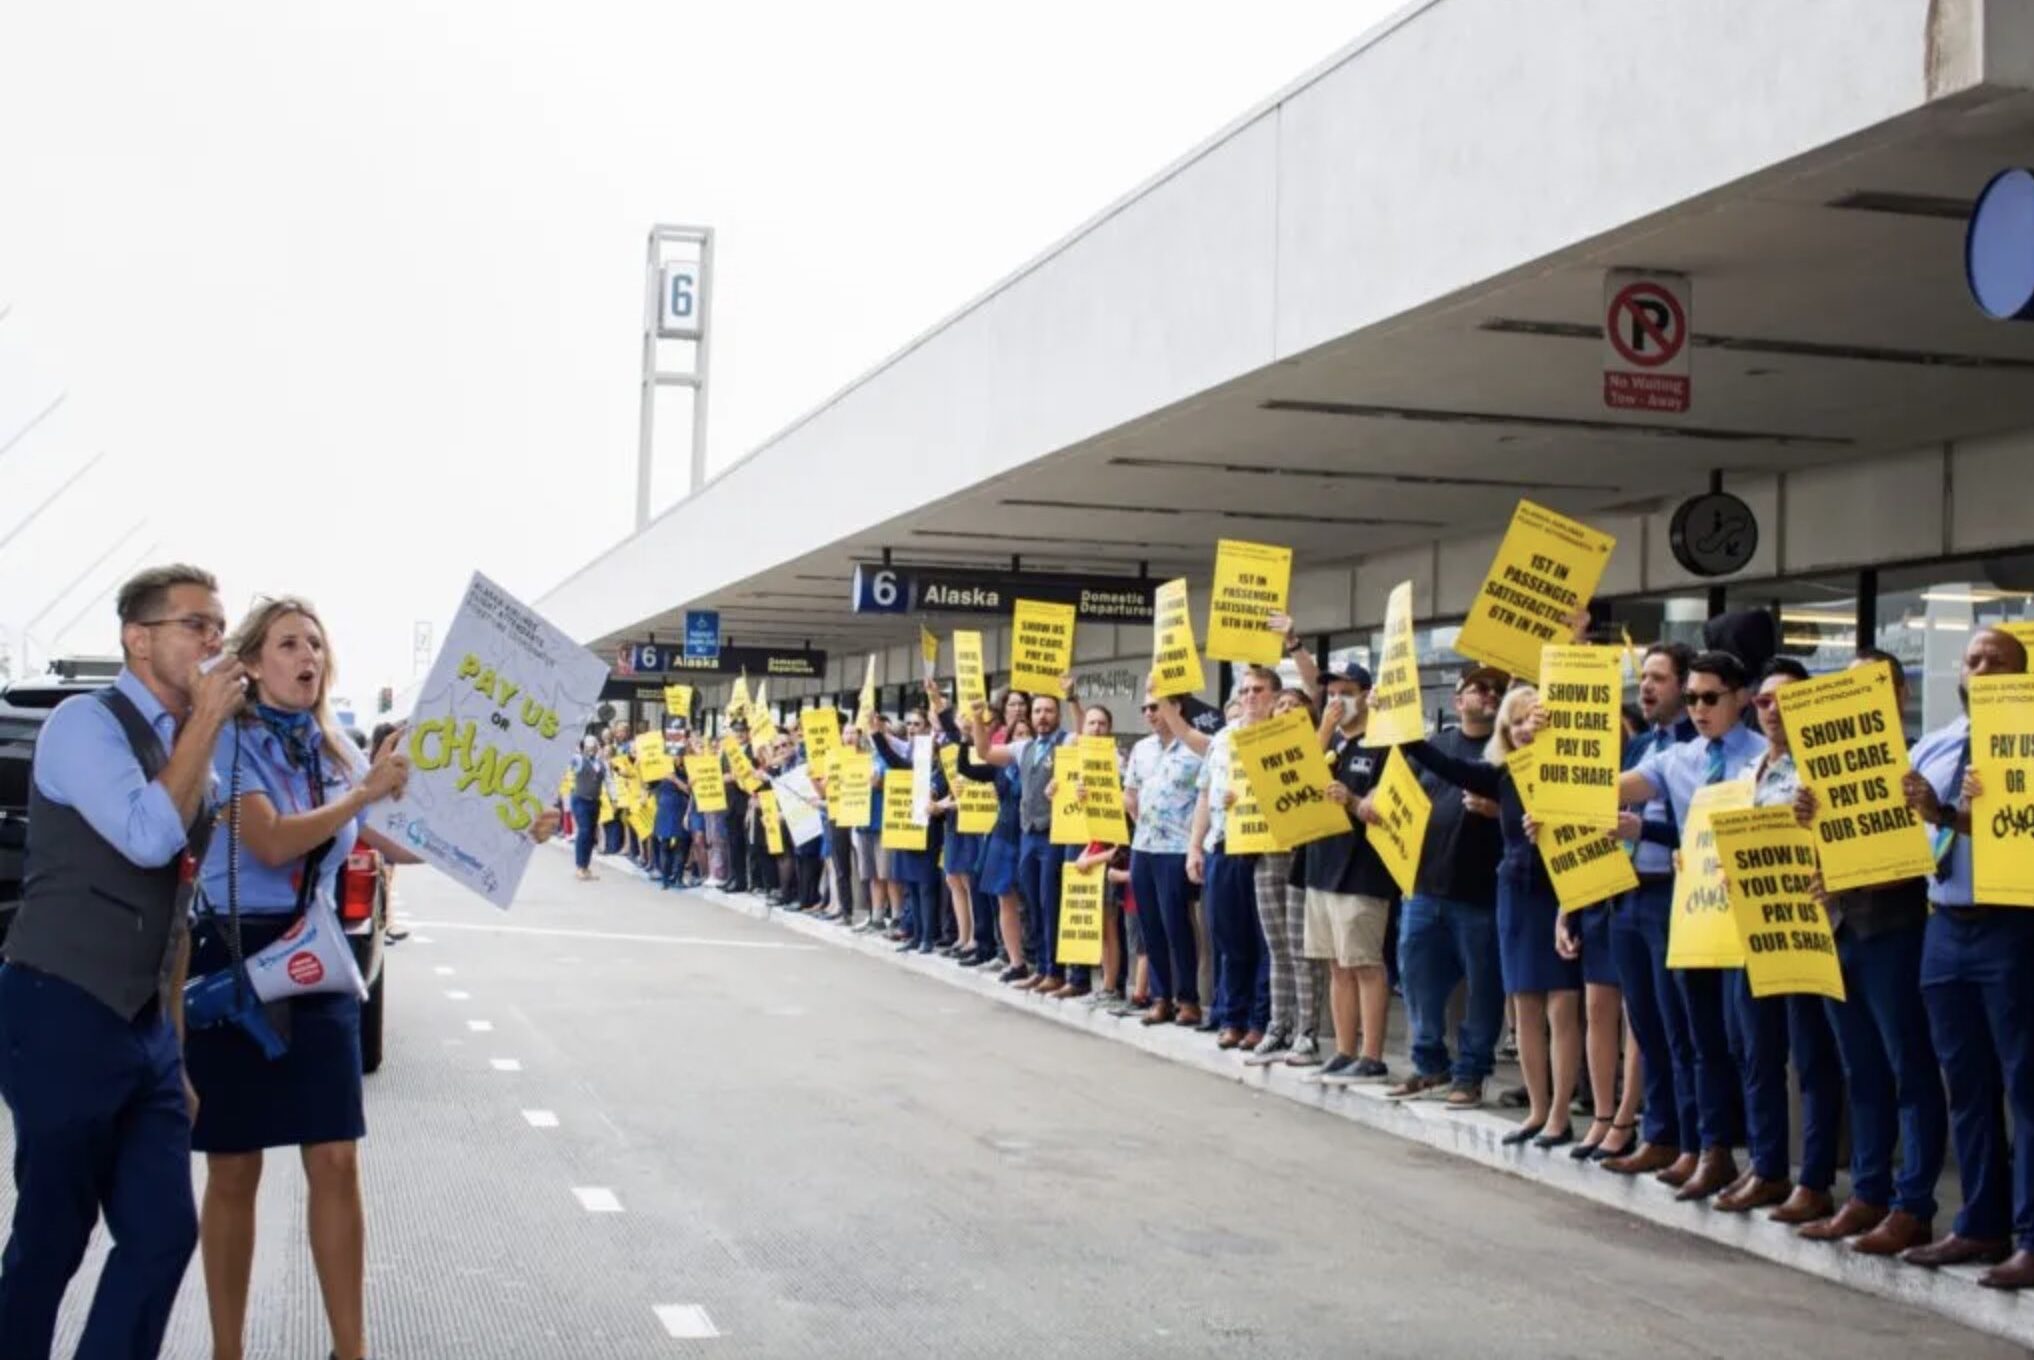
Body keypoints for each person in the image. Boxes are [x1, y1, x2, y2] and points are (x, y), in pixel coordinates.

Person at [190, 596, 557, 1360]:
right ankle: (228, 1349)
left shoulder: (332, 750)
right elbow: (269, 843)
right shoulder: (229, 743)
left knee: (336, 1155)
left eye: (317, 644)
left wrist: (513, 826)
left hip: (317, 962)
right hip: (239, 954)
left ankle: (349, 1349)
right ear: (254, 664)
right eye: (290, 643)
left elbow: (395, 838)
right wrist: (361, 793)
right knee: (234, 1167)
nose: (308, 656)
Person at [0, 565, 243, 1358]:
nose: (215, 640)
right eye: (196, 625)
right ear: (138, 641)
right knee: (52, 1236)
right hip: (61, 1004)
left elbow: (174, 908)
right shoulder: (84, 725)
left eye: (218, 625)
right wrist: (204, 727)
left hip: (144, 1031)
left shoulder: (189, 743)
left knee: (164, 1233)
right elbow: (145, 834)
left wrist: (171, 1048)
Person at [1797, 648, 1946, 1256]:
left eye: (1875, 686)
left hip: (1896, 930)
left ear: (1899, 694)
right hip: (1842, 931)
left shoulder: (1919, 764)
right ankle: (1868, 1192)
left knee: (1908, 1067)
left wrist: (1850, 873)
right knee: (1860, 1069)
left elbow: (1926, 855)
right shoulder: (1826, 767)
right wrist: (1804, 821)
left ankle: (1914, 1205)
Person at [1899, 626, 2034, 1288]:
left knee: (2025, 1085)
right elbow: (1896, 824)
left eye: (1996, 661)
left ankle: (2031, 1236)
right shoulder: (1935, 743)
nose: (1980, 668)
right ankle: (1981, 1222)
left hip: (2013, 925)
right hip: (1945, 926)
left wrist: (1947, 813)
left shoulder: (2030, 747)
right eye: (1973, 659)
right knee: (1967, 1086)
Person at [1611, 649, 1767, 1201]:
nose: (1699, 709)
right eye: (1694, 698)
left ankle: (1761, 1160)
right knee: (1697, 1036)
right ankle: (1710, 1149)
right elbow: (1617, 786)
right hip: (1696, 912)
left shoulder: (1764, 757)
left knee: (1745, 1039)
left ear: (1741, 697)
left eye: (1710, 698)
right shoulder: (1677, 759)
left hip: (1748, 917)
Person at [1404, 686, 1585, 1143]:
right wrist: (1403, 731)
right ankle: (1537, 1112)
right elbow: (1449, 766)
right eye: (1516, 722)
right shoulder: (1501, 774)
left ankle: (1561, 1115)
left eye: (1532, 720)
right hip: (1513, 893)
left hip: (1560, 894)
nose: (1525, 729)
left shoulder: (1573, 772)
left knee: (1562, 1009)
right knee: (1523, 1006)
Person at [1711, 658, 1843, 1218]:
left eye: (1783, 700)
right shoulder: (1750, 772)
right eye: (1763, 701)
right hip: (1753, 930)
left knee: (1812, 1059)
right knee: (1756, 1054)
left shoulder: (1827, 768)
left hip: (1811, 930)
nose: (1771, 711)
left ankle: (1812, 1179)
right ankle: (1765, 1168)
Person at [1601, 642, 1703, 1180]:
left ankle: (1692, 1140)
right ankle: (1658, 1132)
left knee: (1678, 1023)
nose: (1646, 687)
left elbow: (1699, 829)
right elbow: (1610, 808)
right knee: (1644, 1023)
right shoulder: (1640, 744)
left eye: (1659, 678)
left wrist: (1648, 831)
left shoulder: (1699, 745)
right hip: (1629, 890)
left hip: (1674, 891)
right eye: (1645, 678)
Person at [1389, 667, 1507, 1111]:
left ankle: (1471, 1072)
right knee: (1416, 979)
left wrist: (1498, 811)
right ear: (1458, 700)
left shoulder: (1509, 751)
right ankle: (1428, 1062)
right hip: (1424, 887)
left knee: (1484, 988)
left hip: (1482, 893)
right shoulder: (1438, 746)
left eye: (1498, 690)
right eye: (1480, 688)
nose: (1490, 695)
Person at [1299, 663, 1399, 1087]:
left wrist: (1352, 800)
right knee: (1336, 966)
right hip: (1322, 867)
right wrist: (1323, 731)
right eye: (1332, 692)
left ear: (1366, 693)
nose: (1338, 699)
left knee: (1363, 964)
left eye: (1346, 691)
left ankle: (1372, 1053)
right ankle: (1344, 1048)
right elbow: (1300, 785)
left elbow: (1380, 809)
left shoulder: (1384, 745)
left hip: (1362, 871)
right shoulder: (1332, 742)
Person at [1189, 670, 1274, 1052]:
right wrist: (1195, 847)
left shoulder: (1284, 734)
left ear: (1273, 695)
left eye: (1258, 690)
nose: (1250, 697)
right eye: (1244, 691)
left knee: (1264, 941)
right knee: (1229, 937)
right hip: (1223, 845)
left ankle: (1259, 1021)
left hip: (1266, 850)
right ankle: (1232, 1018)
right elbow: (1204, 796)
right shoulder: (1222, 739)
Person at [1123, 689, 1207, 1027]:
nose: (1149, 714)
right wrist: (1146, 821)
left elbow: (1207, 793)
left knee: (1177, 925)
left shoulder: (1196, 747)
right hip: (1144, 847)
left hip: (1177, 849)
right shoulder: (1141, 749)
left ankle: (1188, 999)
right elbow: (1130, 794)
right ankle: (1161, 997)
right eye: (1145, 708)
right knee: (1151, 926)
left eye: (1155, 707)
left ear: (1176, 708)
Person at [568, 733, 607, 882]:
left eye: (593, 746)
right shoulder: (578, 760)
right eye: (588, 747)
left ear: (597, 748)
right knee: (584, 831)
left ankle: (586, 867)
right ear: (584, 748)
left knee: (591, 835)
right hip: (580, 800)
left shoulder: (601, 763)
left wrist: (614, 798)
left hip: (595, 801)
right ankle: (579, 866)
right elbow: (569, 759)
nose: (591, 749)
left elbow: (608, 780)